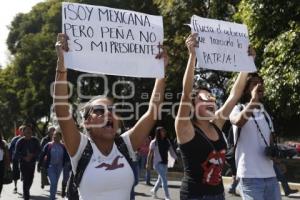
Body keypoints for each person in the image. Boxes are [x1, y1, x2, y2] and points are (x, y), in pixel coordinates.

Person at [53, 33, 167, 200]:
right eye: (99, 110)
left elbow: (152, 111)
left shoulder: (125, 145)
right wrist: (61, 65)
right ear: (87, 121)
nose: (108, 113)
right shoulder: (80, 147)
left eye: (112, 110)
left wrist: (161, 71)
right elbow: (61, 109)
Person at [175, 33, 252, 200]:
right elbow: (186, 94)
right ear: (193, 107)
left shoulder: (217, 123)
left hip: (218, 194)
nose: (210, 101)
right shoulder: (185, 128)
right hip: (195, 196)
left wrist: (247, 64)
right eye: (203, 99)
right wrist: (192, 56)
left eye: (212, 98)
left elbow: (234, 94)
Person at [229, 73, 281, 200]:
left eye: (261, 83)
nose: (259, 85)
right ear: (246, 89)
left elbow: (270, 142)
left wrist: (277, 159)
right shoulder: (237, 109)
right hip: (249, 177)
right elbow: (239, 122)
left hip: (271, 176)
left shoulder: (266, 114)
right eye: (254, 83)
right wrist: (253, 100)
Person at [146, 126, 177, 200]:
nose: (164, 132)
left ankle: (153, 190)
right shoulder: (154, 142)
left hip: (165, 162)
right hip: (157, 163)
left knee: (160, 179)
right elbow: (150, 154)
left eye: (164, 131)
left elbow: (171, 150)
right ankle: (167, 196)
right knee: (164, 179)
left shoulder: (167, 141)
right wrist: (148, 163)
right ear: (158, 133)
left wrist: (175, 158)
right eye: (162, 131)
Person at [38, 129, 69, 200]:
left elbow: (67, 157)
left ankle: (52, 196)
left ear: (60, 138)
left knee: (55, 183)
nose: (55, 137)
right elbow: (42, 155)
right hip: (50, 166)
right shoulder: (49, 145)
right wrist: (39, 165)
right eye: (54, 136)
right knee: (54, 181)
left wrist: (67, 165)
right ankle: (52, 197)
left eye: (57, 136)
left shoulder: (63, 146)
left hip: (59, 167)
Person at [15, 124, 41, 200]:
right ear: (23, 133)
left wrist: (32, 155)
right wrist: (24, 157)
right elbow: (16, 154)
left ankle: (26, 191)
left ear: (32, 132)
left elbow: (39, 151)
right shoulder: (20, 141)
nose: (28, 133)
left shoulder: (35, 140)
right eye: (27, 132)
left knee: (31, 179)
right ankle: (26, 196)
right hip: (23, 164)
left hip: (32, 164)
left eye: (30, 132)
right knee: (26, 180)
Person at [9, 125, 25, 193]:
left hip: (24, 160)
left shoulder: (28, 139)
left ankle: (25, 188)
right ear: (19, 131)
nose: (23, 132)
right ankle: (15, 187)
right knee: (15, 174)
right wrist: (10, 159)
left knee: (25, 174)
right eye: (21, 130)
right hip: (15, 159)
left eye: (24, 130)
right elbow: (10, 149)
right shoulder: (14, 139)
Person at [0, 130, 10, 197]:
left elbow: (7, 156)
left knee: (0, 183)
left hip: (1, 165)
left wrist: (8, 166)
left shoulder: (3, 143)